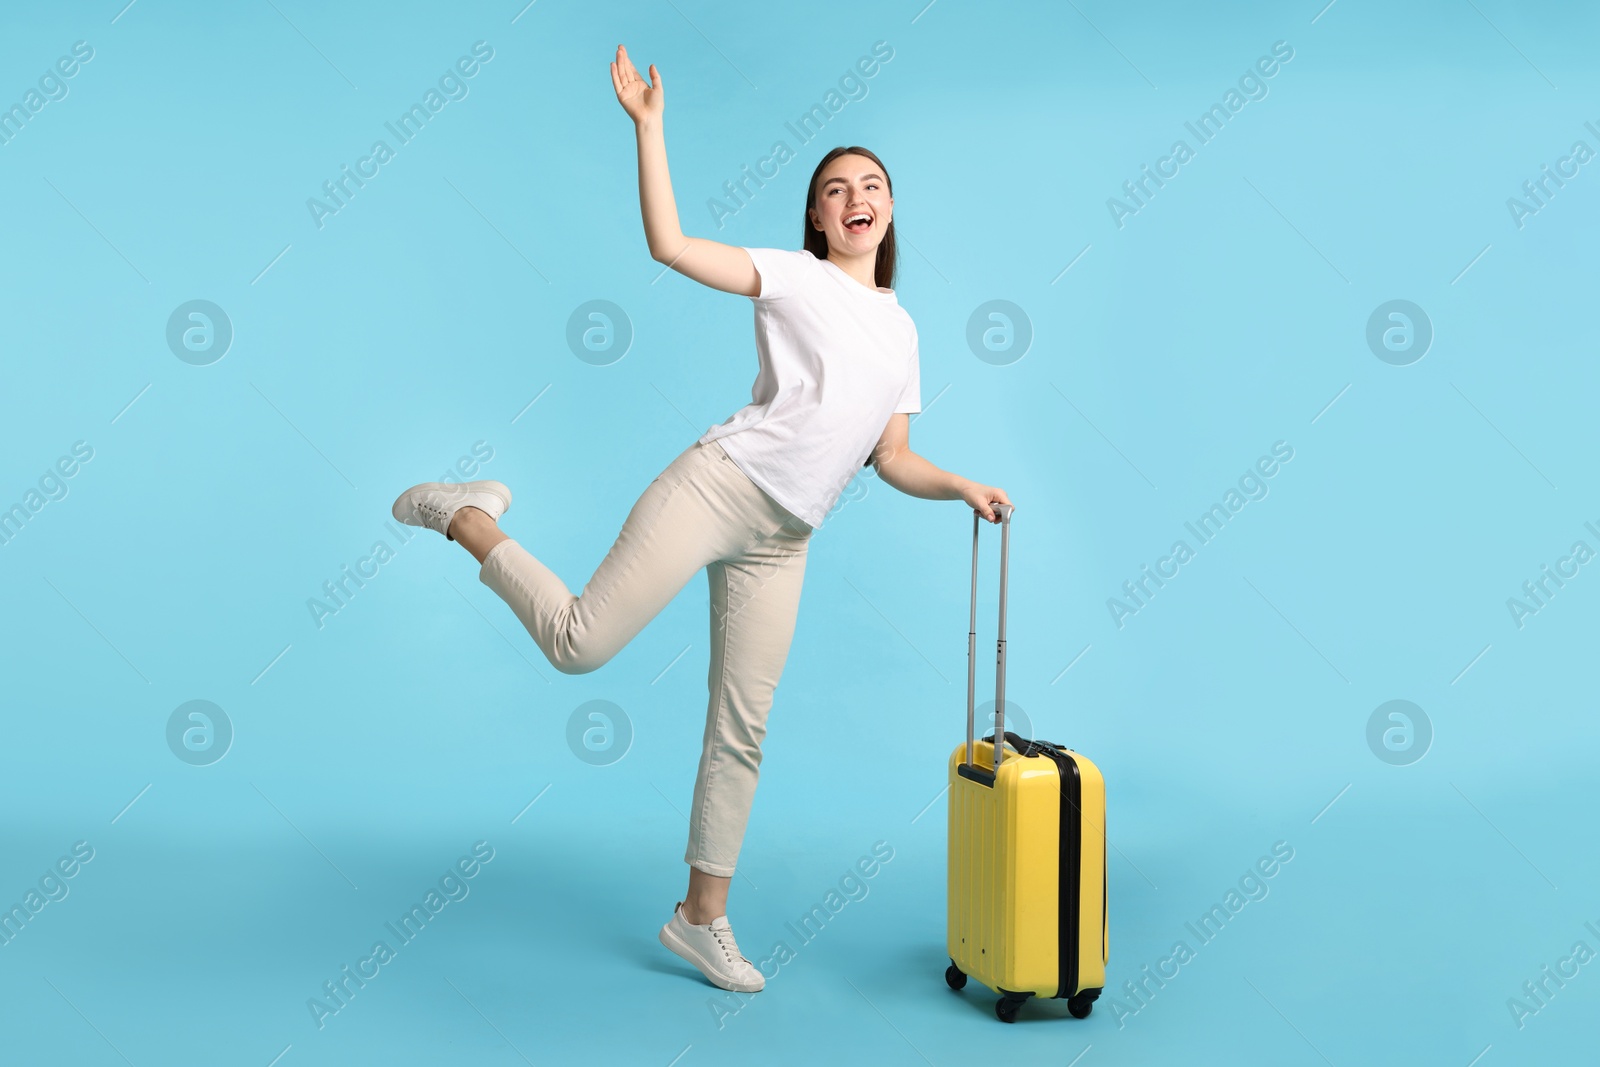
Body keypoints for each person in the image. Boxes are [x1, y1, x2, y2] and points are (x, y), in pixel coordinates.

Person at [389, 44, 1013, 995]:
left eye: (873, 184)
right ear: (817, 215)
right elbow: (672, 246)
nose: (857, 195)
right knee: (577, 643)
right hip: (720, 484)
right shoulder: (796, 279)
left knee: (742, 727)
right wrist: (650, 129)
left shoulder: (903, 326)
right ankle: (466, 514)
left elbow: (889, 456)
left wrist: (961, 484)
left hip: (786, 538)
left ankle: (700, 919)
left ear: (889, 211)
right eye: (837, 186)